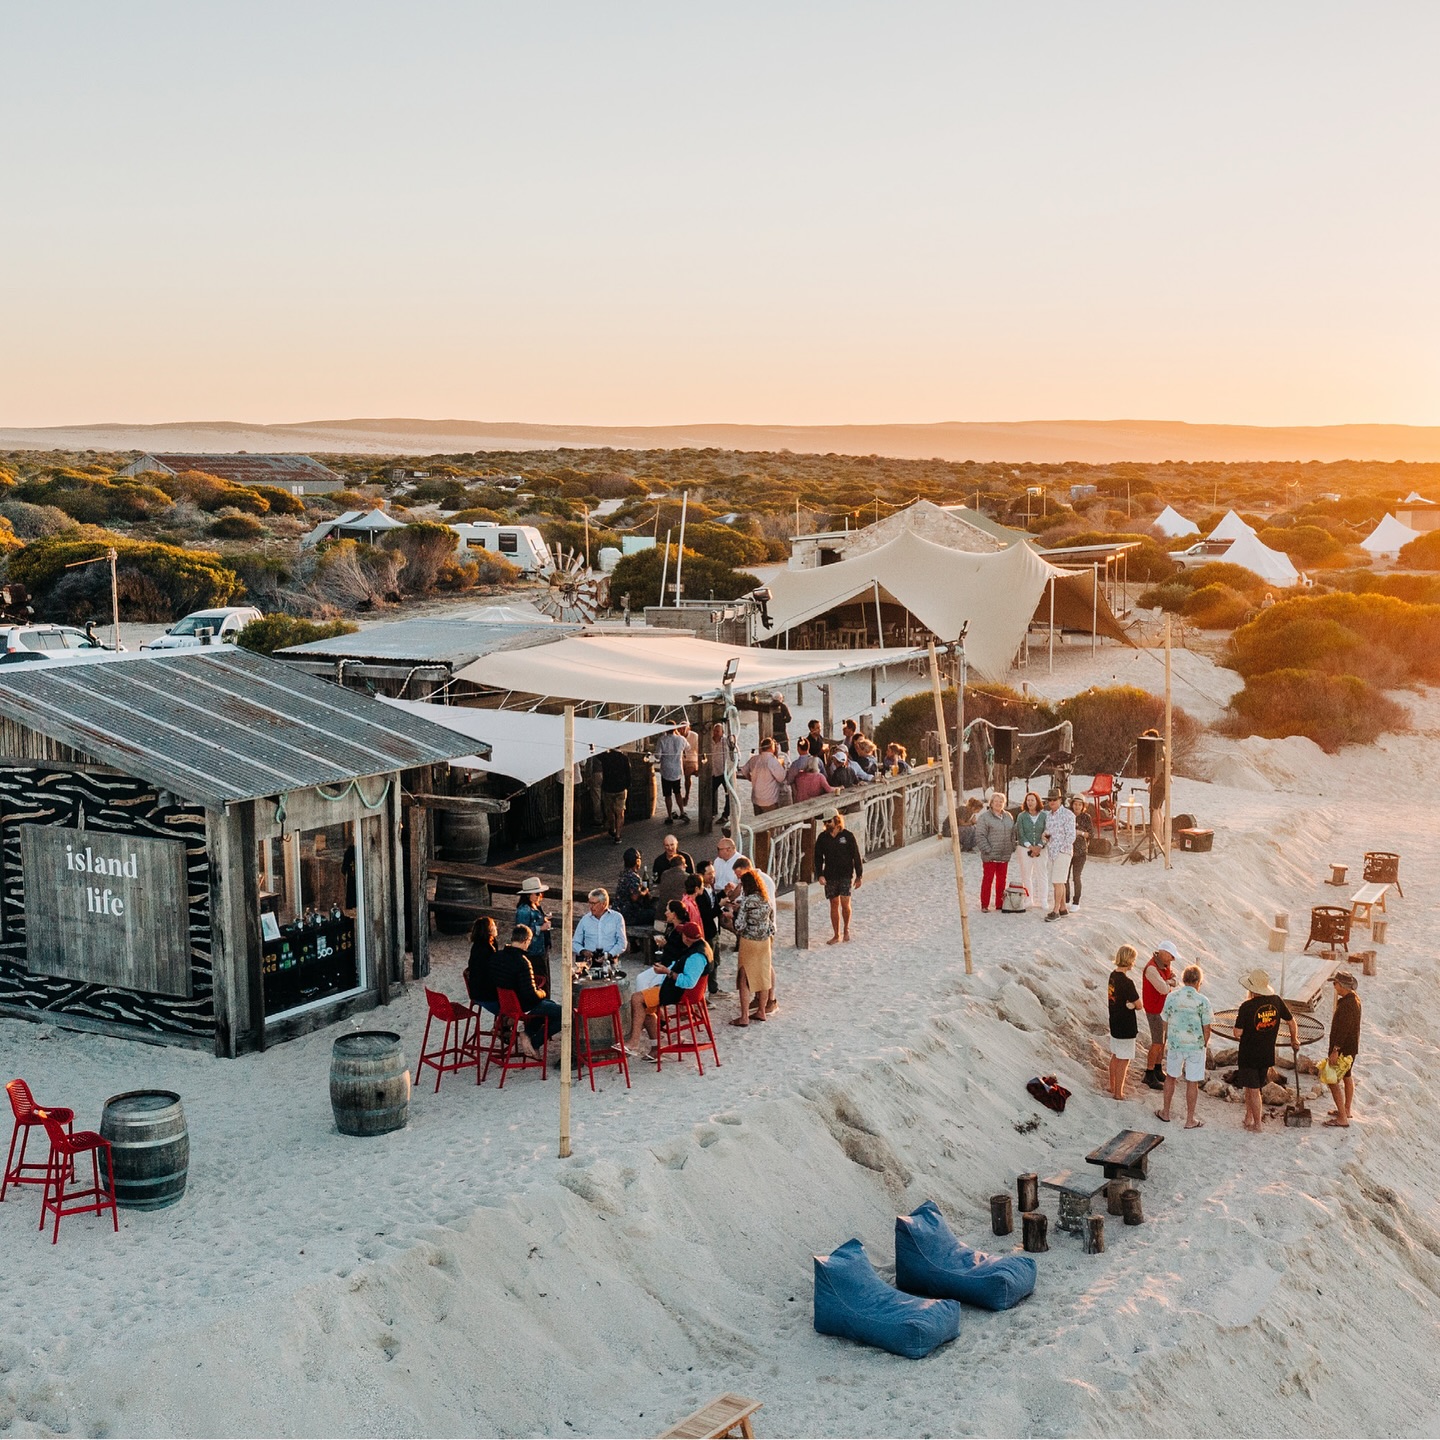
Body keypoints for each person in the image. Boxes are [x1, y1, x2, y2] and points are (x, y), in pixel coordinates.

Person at [624, 920, 711, 1058]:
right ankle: (655, 1047)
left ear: (686, 938)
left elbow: (688, 982)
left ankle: (634, 1041)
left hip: (681, 992)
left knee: (637, 999)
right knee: (645, 1000)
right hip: (679, 989)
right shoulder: (701, 946)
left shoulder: (696, 956)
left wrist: (667, 972)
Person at [1231, 968, 1298, 1133]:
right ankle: (1248, 1117)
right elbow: (1291, 1022)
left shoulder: (1246, 1006)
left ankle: (1258, 1125)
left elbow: (1237, 1032)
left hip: (1248, 1054)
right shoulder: (1276, 1001)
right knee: (1252, 1087)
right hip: (1267, 1053)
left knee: (1253, 1090)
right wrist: (1294, 1039)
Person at [1156, 963, 1213, 1129]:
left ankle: (1166, 1112)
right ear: (1198, 982)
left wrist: (1168, 1038)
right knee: (1192, 1082)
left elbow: (1164, 1021)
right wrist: (1203, 1044)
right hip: (1195, 1045)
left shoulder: (1172, 997)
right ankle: (1189, 1119)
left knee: (1171, 1077)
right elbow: (1207, 1028)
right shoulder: (1203, 1001)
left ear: (1183, 979)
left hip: (1176, 1043)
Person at [493, 924, 561, 1058]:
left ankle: (528, 1033)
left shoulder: (498, 956)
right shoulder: (523, 962)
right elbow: (530, 995)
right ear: (526, 941)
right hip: (523, 1006)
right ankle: (535, 1042)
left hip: (507, 1004)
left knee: (550, 1005)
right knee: (564, 1014)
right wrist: (542, 992)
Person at [731, 869, 776, 1027]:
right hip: (764, 942)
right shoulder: (766, 899)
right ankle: (762, 1011)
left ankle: (744, 1017)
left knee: (744, 977)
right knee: (763, 975)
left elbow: (739, 925)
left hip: (749, 942)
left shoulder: (747, 901)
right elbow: (771, 922)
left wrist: (734, 914)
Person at [814, 807, 864, 944]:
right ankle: (836, 934)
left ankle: (846, 929)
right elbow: (818, 858)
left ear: (836, 820)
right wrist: (820, 875)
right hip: (830, 874)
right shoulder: (822, 838)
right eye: (825, 822)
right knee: (833, 903)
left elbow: (856, 856)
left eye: (829, 821)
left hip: (846, 873)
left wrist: (859, 875)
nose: (826, 824)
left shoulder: (847, 836)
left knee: (845, 902)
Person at [1324, 971, 1362, 1127]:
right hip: (1351, 1047)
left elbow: (1343, 1030)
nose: (1334, 986)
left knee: (1331, 1080)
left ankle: (1342, 1118)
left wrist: (1335, 1050)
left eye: (1335, 984)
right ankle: (1346, 1109)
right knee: (1347, 1076)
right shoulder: (1354, 1000)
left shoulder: (1347, 1005)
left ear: (1342, 986)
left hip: (1343, 1049)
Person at [1140, 942, 1180, 1089]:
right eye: (1171, 956)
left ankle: (1157, 1068)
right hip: (1155, 1010)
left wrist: (1168, 981)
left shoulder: (1163, 965)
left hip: (1163, 1009)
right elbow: (1163, 989)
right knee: (1157, 1042)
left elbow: (1175, 980)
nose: (1173, 959)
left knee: (1162, 1041)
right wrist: (1169, 982)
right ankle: (1149, 1073)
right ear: (1163, 953)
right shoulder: (1151, 968)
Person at [1107, 945, 1142, 1100]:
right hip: (1126, 1025)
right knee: (1124, 1059)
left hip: (1114, 1021)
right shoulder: (1127, 982)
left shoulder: (1112, 976)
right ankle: (1118, 1093)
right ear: (1129, 960)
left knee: (1115, 1055)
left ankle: (1112, 1086)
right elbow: (1139, 1005)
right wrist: (1132, 1004)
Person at [975, 790, 1016, 911]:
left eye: (1001, 801)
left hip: (1004, 854)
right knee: (988, 880)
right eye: (996, 801)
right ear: (991, 803)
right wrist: (987, 849)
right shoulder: (984, 817)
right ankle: (984, 904)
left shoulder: (1008, 816)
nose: (998, 804)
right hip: (990, 855)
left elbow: (1013, 833)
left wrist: (1012, 846)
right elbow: (980, 835)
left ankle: (999, 903)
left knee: (1001, 880)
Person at [1042, 788, 1075, 921]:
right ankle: (1063, 908)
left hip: (1063, 851)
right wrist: (1045, 836)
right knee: (1057, 882)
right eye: (1050, 800)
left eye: (1054, 799)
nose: (1052, 802)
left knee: (1058, 881)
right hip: (1051, 851)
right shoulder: (1048, 816)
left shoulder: (1068, 814)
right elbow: (1048, 832)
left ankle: (1055, 911)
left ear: (1060, 800)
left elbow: (1071, 836)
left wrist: (1062, 850)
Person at [571, 887, 627, 965]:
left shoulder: (616, 918)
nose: (591, 906)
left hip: (609, 959)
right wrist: (583, 951)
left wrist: (609, 954)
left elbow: (622, 943)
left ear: (603, 904)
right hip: (589, 960)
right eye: (589, 903)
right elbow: (575, 942)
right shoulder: (585, 919)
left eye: (593, 903)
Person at [514, 877, 552, 987]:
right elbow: (522, 931)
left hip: (540, 949)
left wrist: (543, 919)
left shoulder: (534, 906)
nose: (540, 896)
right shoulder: (524, 910)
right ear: (528, 895)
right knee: (539, 981)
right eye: (537, 893)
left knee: (544, 979)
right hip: (532, 952)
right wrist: (540, 928)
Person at [739, 737, 788, 814]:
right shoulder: (772, 761)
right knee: (771, 820)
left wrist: (750, 778)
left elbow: (744, 770)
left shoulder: (754, 759)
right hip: (769, 800)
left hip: (756, 798)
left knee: (758, 819)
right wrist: (782, 767)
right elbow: (781, 778)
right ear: (772, 747)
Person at [1015, 792, 1047, 910]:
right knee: (1026, 875)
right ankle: (1029, 899)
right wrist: (1031, 847)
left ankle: (1043, 899)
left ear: (1037, 801)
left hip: (1041, 849)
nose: (1030, 802)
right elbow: (1020, 833)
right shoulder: (1021, 816)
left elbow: (1047, 831)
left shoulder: (1044, 815)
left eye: (1032, 800)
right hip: (1025, 848)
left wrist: (1039, 846)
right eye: (1028, 800)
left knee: (1042, 874)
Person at [465, 915, 502, 1016]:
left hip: (475, 992)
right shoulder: (487, 949)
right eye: (493, 925)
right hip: (486, 995)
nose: (496, 927)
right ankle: (503, 1023)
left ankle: (502, 1024)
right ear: (489, 930)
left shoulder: (477, 946)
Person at [655, 725, 689, 823]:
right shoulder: (681, 739)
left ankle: (670, 816)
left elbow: (658, 756)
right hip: (677, 770)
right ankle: (682, 812)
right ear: (675, 729)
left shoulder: (662, 740)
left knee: (667, 795)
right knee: (678, 792)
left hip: (666, 770)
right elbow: (688, 747)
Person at [614, 847, 654, 930]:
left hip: (618, 912)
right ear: (637, 862)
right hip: (628, 915)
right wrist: (645, 892)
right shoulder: (634, 877)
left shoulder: (623, 874)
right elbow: (634, 897)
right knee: (653, 913)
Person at [599, 747, 632, 844]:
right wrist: (627, 786)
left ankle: (612, 828)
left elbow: (597, 755)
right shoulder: (624, 758)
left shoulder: (605, 757)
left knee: (609, 811)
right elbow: (628, 774)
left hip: (608, 788)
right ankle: (618, 835)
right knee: (620, 813)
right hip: (620, 789)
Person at [1067, 795, 1094, 909]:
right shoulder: (1068, 815)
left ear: (1083, 806)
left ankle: (1076, 901)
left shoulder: (1086, 817)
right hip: (1067, 850)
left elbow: (1091, 834)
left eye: (1079, 804)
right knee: (1065, 877)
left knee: (1076, 877)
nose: (1077, 806)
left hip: (1080, 851)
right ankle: (1066, 899)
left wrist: (1080, 833)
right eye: (1075, 804)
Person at [708, 721, 735, 825]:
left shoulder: (726, 742)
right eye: (714, 731)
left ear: (722, 732)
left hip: (724, 772)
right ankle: (711, 812)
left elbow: (734, 753)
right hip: (713, 771)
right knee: (709, 792)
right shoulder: (709, 741)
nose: (715, 733)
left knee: (728, 794)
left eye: (718, 731)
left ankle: (725, 815)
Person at [679, 720, 700, 812]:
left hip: (691, 759)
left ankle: (687, 795)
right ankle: (678, 795)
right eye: (680, 728)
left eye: (684, 728)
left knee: (687, 774)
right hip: (681, 759)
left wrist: (699, 766)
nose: (682, 730)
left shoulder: (694, 736)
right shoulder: (678, 736)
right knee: (676, 775)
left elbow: (698, 751)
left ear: (688, 728)